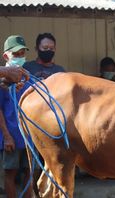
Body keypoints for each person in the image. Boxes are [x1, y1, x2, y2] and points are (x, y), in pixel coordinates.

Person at [0, 35, 32, 198]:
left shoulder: (27, 78)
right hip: (11, 134)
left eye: (22, 54)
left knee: (30, 173)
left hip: (29, 136)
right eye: (15, 54)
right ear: (6, 56)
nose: (19, 58)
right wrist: (6, 136)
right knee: (10, 173)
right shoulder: (2, 79)